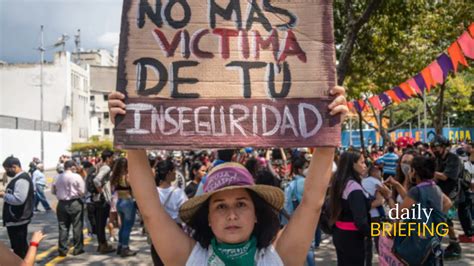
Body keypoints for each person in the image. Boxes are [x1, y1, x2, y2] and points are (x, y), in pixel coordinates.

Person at [108, 86, 348, 265]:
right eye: (220, 206)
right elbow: (150, 211)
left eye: (241, 204)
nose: (232, 215)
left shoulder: (277, 257)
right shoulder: (192, 258)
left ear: (256, 214)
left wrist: (328, 131)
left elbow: (311, 204)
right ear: (208, 217)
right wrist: (130, 132)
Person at [380, 156, 453, 265]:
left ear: (414, 172)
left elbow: (399, 214)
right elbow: (446, 203)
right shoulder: (435, 188)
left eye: (410, 169)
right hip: (432, 241)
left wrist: (389, 197)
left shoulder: (416, 191)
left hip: (418, 242)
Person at [328, 150, 370, 266]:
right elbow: (360, 220)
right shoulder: (353, 187)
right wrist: (372, 233)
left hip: (340, 234)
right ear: (353, 164)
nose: (365, 165)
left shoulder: (340, 182)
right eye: (362, 162)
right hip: (352, 238)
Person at [151, 159, 188, 265]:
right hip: (176, 232)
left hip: (157, 233)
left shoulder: (153, 192)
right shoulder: (178, 193)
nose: (176, 173)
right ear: (168, 173)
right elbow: (185, 213)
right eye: (174, 171)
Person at [431, 135, 463, 259]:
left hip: (452, 193)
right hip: (440, 193)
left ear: (444, 147)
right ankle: (453, 244)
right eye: (433, 147)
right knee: (443, 219)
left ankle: (455, 246)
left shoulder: (453, 159)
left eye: (437, 147)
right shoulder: (437, 159)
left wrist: (428, 171)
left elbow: (445, 176)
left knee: (445, 218)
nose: (434, 150)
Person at [0, 156, 34, 258]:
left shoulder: (22, 179)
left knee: (20, 250)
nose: (6, 172)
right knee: (20, 248)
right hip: (16, 219)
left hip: (18, 219)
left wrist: (3, 195)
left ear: (14, 167)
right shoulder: (18, 178)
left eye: (7, 169)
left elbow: (19, 200)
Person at [52, 160, 85, 256]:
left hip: (61, 204)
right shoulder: (76, 176)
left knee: (63, 227)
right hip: (75, 202)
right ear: (72, 167)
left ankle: (62, 249)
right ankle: (78, 248)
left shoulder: (57, 177)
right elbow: (82, 191)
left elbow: (53, 191)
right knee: (77, 226)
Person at [110, 157, 138, 257]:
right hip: (128, 202)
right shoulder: (127, 176)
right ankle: (125, 248)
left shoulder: (115, 177)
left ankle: (120, 245)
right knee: (127, 226)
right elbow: (134, 189)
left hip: (119, 202)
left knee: (122, 226)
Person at [92, 149, 116, 254]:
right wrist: (101, 192)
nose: (113, 159)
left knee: (100, 223)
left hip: (98, 199)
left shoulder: (99, 166)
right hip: (102, 200)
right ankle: (103, 246)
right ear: (108, 158)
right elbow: (96, 180)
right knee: (101, 224)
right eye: (112, 157)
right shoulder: (106, 167)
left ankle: (101, 245)